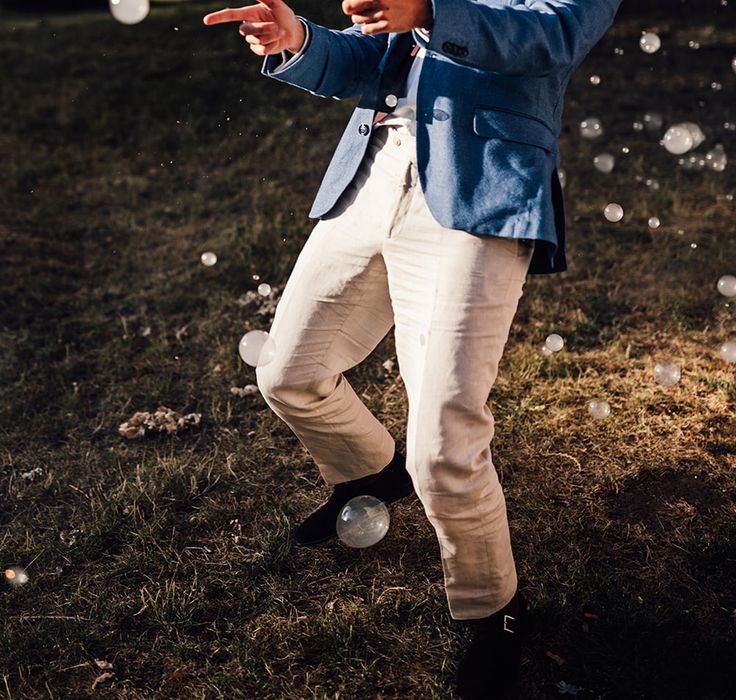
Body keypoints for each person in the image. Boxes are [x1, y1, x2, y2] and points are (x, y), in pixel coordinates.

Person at [204, 0, 621, 696]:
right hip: (375, 177)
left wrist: (427, 8)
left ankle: (496, 612)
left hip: (480, 190)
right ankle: (371, 471)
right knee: (288, 372)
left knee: (444, 448)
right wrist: (297, 38)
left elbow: (549, 36)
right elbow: (374, 58)